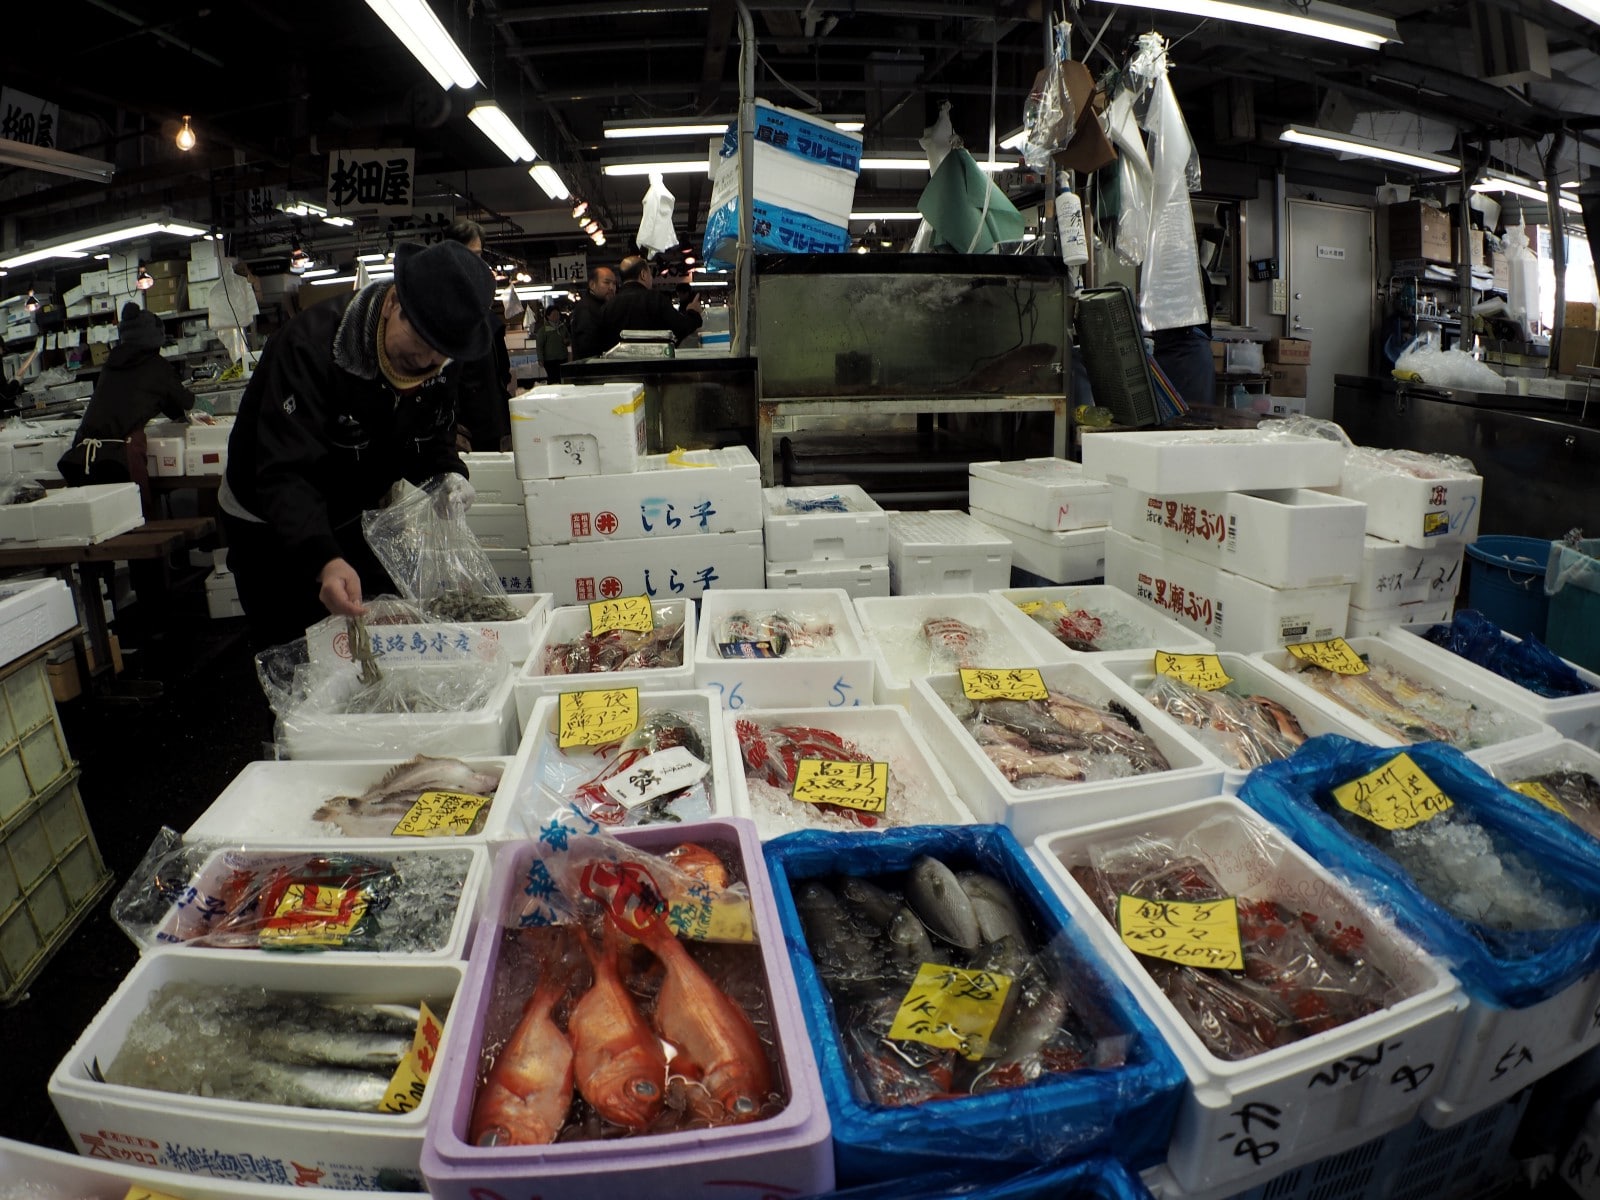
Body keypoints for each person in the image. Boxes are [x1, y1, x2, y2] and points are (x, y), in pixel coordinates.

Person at [220, 239, 494, 648]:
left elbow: (431, 430)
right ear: (392, 303)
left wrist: (447, 474)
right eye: (416, 344)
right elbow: (284, 471)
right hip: (271, 524)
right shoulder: (309, 348)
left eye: (438, 359)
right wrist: (324, 559)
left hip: (353, 515)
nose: (423, 363)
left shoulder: (440, 356)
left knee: (380, 642)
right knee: (301, 654)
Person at [58, 304, 193, 508]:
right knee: (136, 520)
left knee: (104, 524)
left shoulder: (110, 364)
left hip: (81, 458)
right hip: (119, 460)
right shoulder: (157, 367)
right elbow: (184, 405)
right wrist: (207, 409)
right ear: (155, 338)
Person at [443, 219, 514, 451]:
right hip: (463, 427)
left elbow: (496, 367)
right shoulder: (441, 300)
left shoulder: (480, 297)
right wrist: (452, 423)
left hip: (488, 418)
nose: (476, 262)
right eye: (468, 254)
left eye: (479, 254)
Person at [597, 255, 702, 353]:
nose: (651, 278)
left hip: (618, 370)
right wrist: (693, 312)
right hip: (654, 368)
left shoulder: (606, 307)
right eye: (650, 274)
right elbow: (681, 328)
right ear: (643, 274)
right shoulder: (655, 299)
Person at [567, 264, 618, 361]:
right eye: (606, 283)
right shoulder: (587, 309)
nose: (611, 287)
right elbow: (587, 347)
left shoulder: (599, 306)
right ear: (592, 285)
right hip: (592, 369)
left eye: (614, 283)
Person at [534, 302, 569, 383]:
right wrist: (540, 359)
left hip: (563, 358)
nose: (556, 316)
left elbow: (569, 338)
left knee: (563, 379)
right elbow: (539, 346)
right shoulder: (543, 330)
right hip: (550, 360)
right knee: (553, 379)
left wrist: (567, 341)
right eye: (553, 315)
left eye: (557, 314)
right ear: (548, 316)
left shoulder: (563, 327)